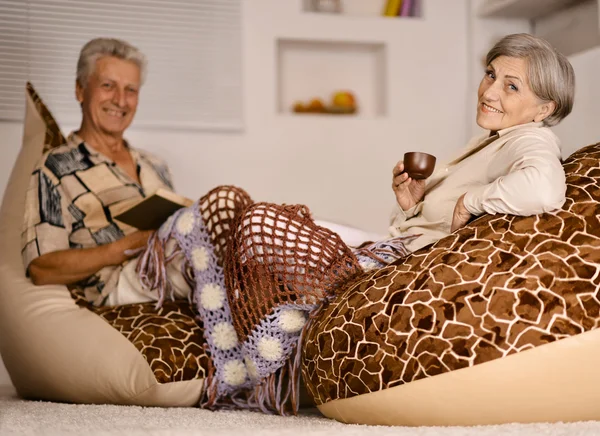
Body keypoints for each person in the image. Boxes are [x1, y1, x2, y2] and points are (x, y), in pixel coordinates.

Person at [21, 38, 251, 306]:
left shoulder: (155, 164)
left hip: (172, 263)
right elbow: (40, 267)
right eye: (108, 86)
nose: (120, 100)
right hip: (122, 281)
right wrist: (121, 248)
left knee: (249, 224)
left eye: (130, 90)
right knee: (224, 214)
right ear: (80, 90)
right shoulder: (55, 168)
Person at [386, 33, 574, 256]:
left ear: (543, 110)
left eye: (512, 87)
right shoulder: (489, 139)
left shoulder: (530, 139)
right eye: (490, 75)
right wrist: (411, 205)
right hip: (394, 250)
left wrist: (468, 202)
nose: (488, 92)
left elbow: (544, 190)